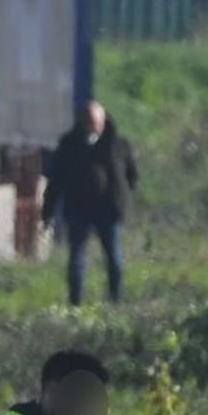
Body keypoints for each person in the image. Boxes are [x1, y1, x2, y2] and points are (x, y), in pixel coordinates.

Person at [42, 99, 139, 306]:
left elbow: (132, 175)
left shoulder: (117, 144)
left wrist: (122, 197)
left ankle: (116, 300)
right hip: (79, 209)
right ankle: (75, 303)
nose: (91, 127)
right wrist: (47, 211)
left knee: (114, 257)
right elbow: (56, 180)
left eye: (95, 122)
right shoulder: (69, 145)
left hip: (108, 210)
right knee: (77, 257)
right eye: (88, 122)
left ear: (103, 122)